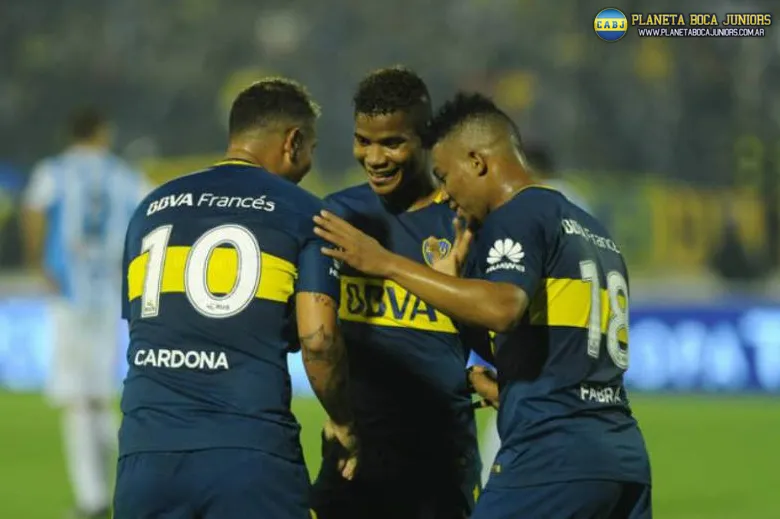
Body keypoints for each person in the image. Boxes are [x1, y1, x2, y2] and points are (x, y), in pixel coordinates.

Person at [313, 93, 652, 519]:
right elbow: (556, 346)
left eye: (445, 176)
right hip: (621, 455)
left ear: (476, 162)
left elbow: (503, 308)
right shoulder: (590, 229)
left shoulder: (519, 212)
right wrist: (502, 379)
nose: (446, 194)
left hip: (552, 452)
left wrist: (385, 263)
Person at [113, 78, 357, 519]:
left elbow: (143, 329)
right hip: (248, 455)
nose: (308, 163)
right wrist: (343, 420)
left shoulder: (149, 209)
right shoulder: (307, 214)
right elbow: (319, 342)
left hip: (145, 457)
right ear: (293, 142)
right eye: (311, 149)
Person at [311, 67, 481, 519]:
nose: (374, 157)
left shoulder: (463, 220)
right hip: (353, 457)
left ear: (426, 138)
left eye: (392, 143)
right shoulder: (338, 215)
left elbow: (495, 332)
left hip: (439, 461)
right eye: (362, 141)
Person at [21, 107, 150, 519]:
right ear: (102, 133)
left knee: (79, 402)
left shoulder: (54, 171)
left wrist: (38, 262)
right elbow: (153, 210)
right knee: (99, 396)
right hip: (111, 295)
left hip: (68, 294)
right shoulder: (123, 175)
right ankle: (128, 482)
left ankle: (92, 499)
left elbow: (32, 210)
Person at [471, 143, 593, 484]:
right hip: (584, 361)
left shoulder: (529, 208)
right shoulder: (580, 207)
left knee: (500, 470)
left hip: (540, 367)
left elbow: (507, 302)